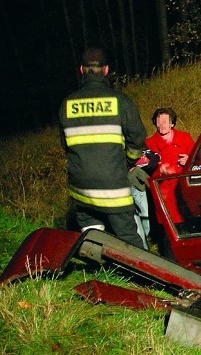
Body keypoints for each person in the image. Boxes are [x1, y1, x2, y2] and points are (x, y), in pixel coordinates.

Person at [58, 47, 147, 248]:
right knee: (129, 239)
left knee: (92, 236)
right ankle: (143, 279)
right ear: (106, 70)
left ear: (82, 70)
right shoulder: (119, 101)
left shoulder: (67, 104)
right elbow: (138, 139)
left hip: (81, 187)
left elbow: (66, 145)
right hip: (113, 186)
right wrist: (128, 161)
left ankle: (99, 269)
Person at [146, 107, 195, 224]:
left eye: (165, 122)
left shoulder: (185, 138)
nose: (162, 125)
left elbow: (199, 160)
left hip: (184, 189)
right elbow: (146, 170)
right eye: (159, 122)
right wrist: (159, 171)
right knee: (168, 226)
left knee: (189, 221)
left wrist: (189, 160)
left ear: (172, 123)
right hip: (164, 192)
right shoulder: (149, 143)